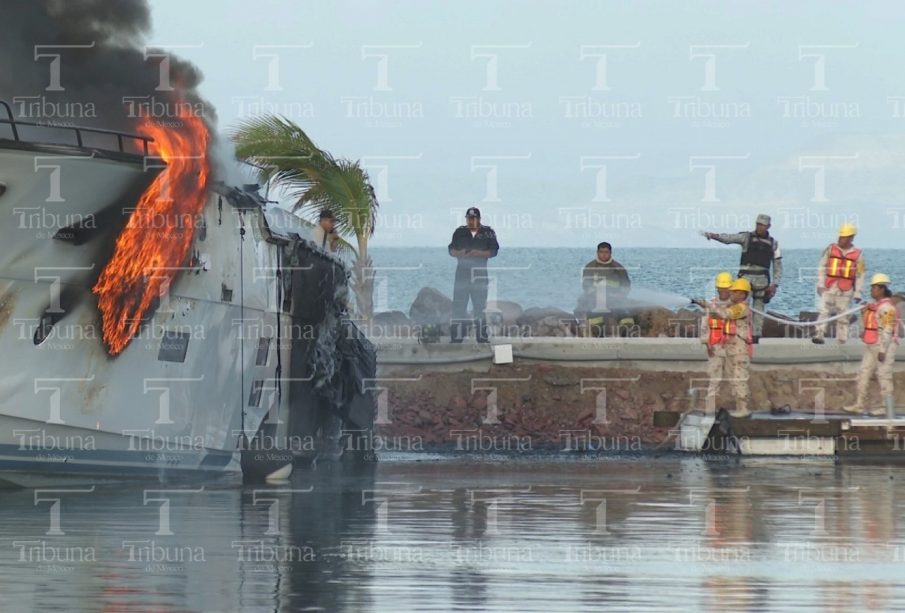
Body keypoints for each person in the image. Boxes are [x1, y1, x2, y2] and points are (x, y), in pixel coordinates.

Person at [703, 214, 782, 343]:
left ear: (768, 226)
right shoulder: (746, 237)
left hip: (762, 281)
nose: (759, 227)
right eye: (758, 224)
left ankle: (756, 337)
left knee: (759, 309)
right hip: (745, 281)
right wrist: (715, 236)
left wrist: (775, 284)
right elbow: (729, 238)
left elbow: (778, 265)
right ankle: (738, 333)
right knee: (740, 306)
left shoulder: (774, 244)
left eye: (762, 225)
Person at [693, 277, 754, 418]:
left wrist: (707, 305)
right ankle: (737, 407)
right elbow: (717, 315)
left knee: (739, 379)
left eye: (735, 292)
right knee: (732, 379)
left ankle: (743, 408)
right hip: (730, 349)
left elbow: (724, 314)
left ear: (742, 294)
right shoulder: (732, 305)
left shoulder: (741, 308)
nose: (731, 294)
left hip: (739, 350)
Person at [843, 273, 899, 416]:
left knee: (884, 376)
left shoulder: (887, 308)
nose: (872, 290)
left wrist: (883, 350)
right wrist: (864, 312)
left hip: (883, 346)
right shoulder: (873, 306)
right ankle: (859, 404)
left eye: (874, 288)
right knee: (863, 373)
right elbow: (869, 323)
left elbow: (887, 329)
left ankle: (885, 407)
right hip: (871, 344)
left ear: (881, 289)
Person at [448, 207, 499, 343]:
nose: (471, 221)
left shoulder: (488, 232)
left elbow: (494, 251)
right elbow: (451, 249)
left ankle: (481, 338)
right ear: (466, 219)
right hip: (462, 275)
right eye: (469, 219)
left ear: (479, 219)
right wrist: (459, 253)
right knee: (458, 306)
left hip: (479, 276)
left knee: (479, 307)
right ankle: (456, 338)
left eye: (474, 219)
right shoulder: (459, 232)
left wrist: (478, 253)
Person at [812, 223, 865, 344]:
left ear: (851, 238)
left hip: (846, 289)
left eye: (845, 237)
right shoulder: (830, 249)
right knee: (823, 310)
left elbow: (860, 274)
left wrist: (858, 292)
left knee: (843, 314)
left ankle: (841, 340)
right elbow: (822, 267)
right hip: (829, 286)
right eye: (841, 236)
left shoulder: (858, 254)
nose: (841, 239)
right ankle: (819, 334)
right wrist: (820, 284)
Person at [698, 272, 734, 414]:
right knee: (714, 380)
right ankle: (710, 411)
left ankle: (735, 410)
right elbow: (704, 326)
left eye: (726, 289)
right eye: (721, 289)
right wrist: (707, 344)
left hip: (732, 348)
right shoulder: (711, 305)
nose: (723, 292)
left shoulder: (737, 307)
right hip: (716, 347)